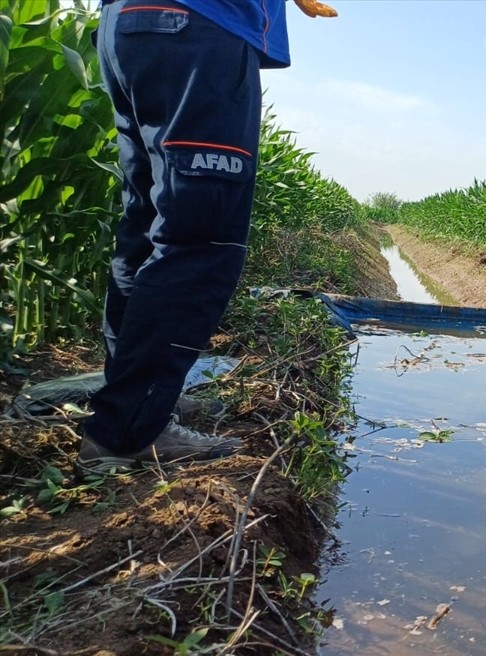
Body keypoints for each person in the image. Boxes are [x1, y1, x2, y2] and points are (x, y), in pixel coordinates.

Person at [77, 0, 336, 474]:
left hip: (131, 26)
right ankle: (126, 430)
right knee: (199, 239)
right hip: (198, 26)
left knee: (146, 227)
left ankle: (137, 405)